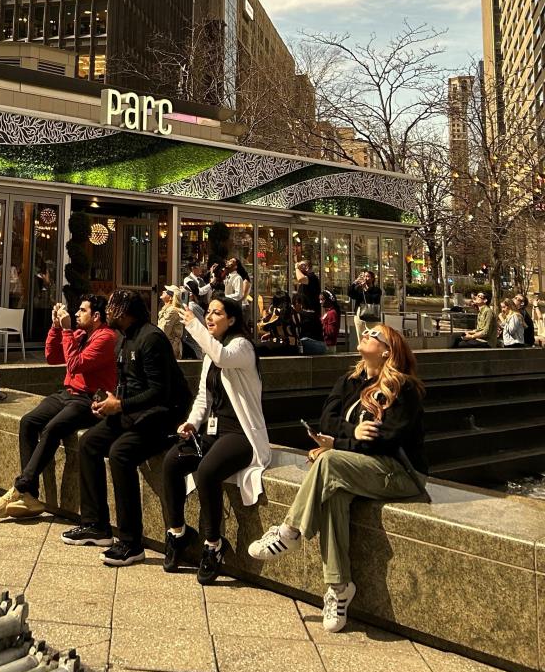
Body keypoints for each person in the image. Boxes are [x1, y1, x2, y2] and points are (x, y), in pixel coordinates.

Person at [248, 324, 427, 633]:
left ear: (388, 350)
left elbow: (387, 438)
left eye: (374, 334)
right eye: (367, 331)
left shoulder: (403, 387)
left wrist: (341, 444)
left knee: (328, 462)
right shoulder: (350, 381)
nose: (366, 333)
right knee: (334, 494)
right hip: (354, 468)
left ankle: (289, 532)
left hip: (400, 472)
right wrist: (350, 435)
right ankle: (339, 587)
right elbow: (327, 421)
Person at [61, 291, 191, 565]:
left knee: (121, 454)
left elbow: (159, 391)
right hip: (133, 410)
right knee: (90, 443)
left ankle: (132, 542)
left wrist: (120, 405)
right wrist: (106, 400)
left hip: (164, 415)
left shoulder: (151, 338)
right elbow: (124, 383)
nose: (108, 310)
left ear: (126, 311)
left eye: (113, 306)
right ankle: (96, 524)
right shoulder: (123, 339)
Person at [162, 297, 271, 585]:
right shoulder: (211, 353)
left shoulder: (241, 348)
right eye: (208, 312)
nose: (210, 317)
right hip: (212, 430)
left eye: (217, 313)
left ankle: (213, 544)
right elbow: (203, 397)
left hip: (241, 433)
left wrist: (193, 324)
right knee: (173, 461)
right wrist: (191, 423)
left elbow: (223, 357)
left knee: (207, 471)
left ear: (232, 320)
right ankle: (177, 533)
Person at [0, 294, 117, 519]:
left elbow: (76, 365)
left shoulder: (105, 337)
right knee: (29, 422)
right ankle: (30, 495)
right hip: (67, 393)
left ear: (96, 316)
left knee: (53, 428)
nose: (76, 314)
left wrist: (67, 331)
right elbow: (52, 356)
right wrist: (56, 327)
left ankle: (20, 487)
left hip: (89, 400)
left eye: (82, 310)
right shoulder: (80, 333)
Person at [347, 269, 382, 350]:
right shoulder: (360, 288)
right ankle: (362, 351)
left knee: (371, 334)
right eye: (365, 276)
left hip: (371, 313)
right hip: (359, 312)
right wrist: (354, 283)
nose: (366, 278)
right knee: (360, 334)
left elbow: (373, 300)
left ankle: (372, 351)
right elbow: (350, 294)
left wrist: (366, 290)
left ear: (373, 278)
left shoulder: (376, 290)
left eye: (368, 276)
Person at [295, 259, 324, 354]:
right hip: (304, 314)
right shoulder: (304, 282)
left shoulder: (312, 277)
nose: (299, 267)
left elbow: (300, 279)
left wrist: (296, 268)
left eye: (301, 265)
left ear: (307, 267)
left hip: (311, 315)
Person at [157, 285, 188, 358]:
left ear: (171, 298)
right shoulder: (167, 309)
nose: (163, 291)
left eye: (166, 291)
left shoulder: (172, 311)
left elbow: (163, 331)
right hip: (167, 345)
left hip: (170, 347)